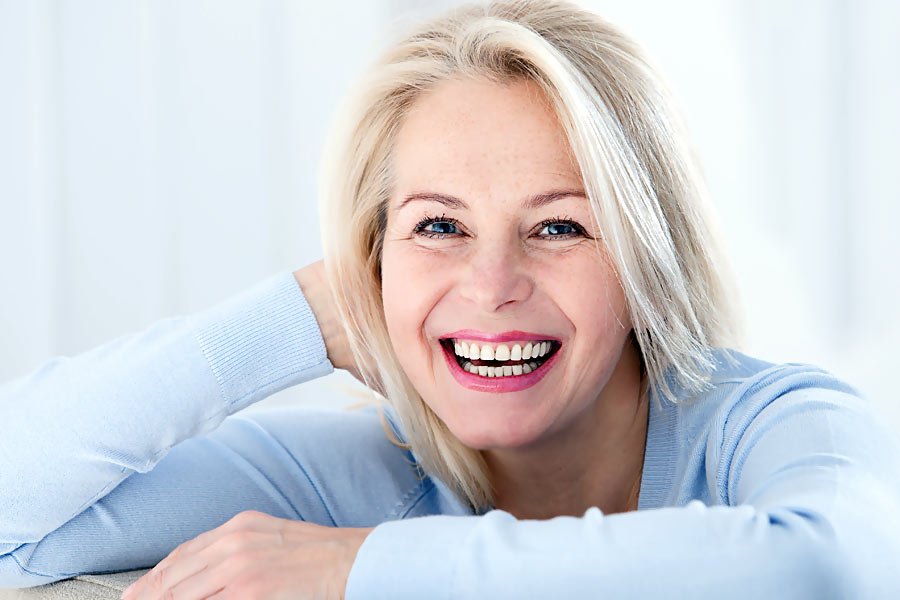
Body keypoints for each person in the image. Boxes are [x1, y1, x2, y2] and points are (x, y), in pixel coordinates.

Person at [2, 0, 899, 598]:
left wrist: (362, 568)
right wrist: (295, 317)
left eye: (559, 227)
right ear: (373, 258)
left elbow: (827, 570)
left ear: (646, 262)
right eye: (438, 226)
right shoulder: (361, 473)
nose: (491, 285)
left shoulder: (774, 420)